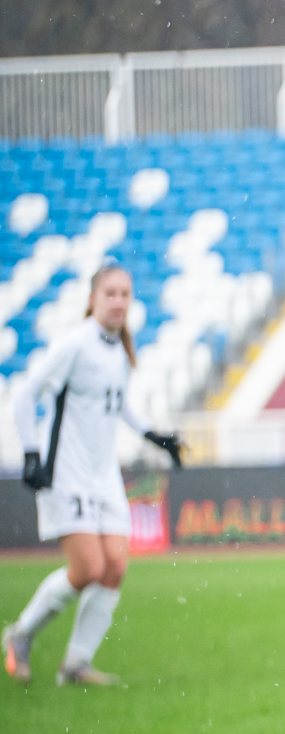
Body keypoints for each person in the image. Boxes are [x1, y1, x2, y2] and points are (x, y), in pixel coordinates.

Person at [3, 263, 183, 687]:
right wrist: (31, 454)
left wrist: (154, 436)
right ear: (92, 299)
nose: (119, 301)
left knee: (115, 567)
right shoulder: (76, 345)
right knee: (87, 569)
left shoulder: (118, 349)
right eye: (111, 293)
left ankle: (75, 664)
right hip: (66, 473)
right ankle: (21, 634)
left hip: (102, 475)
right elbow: (25, 395)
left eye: (125, 293)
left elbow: (117, 403)